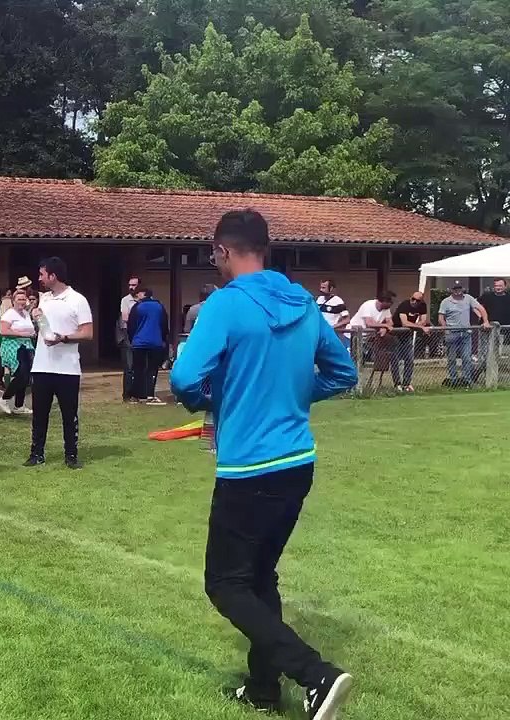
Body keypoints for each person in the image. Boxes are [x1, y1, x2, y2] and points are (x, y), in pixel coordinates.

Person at [169, 210, 358, 720]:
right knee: (259, 577)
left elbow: (185, 376)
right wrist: (296, 393)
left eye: (213, 254)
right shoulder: (303, 301)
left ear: (222, 251)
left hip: (250, 467)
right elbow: (343, 371)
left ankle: (315, 675)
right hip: (298, 462)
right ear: (265, 249)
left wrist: (212, 398)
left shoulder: (225, 305)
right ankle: (263, 688)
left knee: (225, 583)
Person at [24, 257, 92, 468]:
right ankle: (37, 454)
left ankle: (71, 455)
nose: (39, 279)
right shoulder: (44, 299)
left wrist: (64, 338)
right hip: (42, 366)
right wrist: (36, 318)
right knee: (39, 414)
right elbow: (44, 330)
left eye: (42, 274)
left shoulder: (77, 300)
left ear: (53, 276)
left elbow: (87, 332)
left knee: (68, 415)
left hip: (67, 368)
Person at [437, 282, 488, 386]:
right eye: (455, 289)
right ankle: (453, 380)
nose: (457, 291)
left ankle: (467, 380)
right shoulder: (445, 302)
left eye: (459, 288)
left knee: (466, 358)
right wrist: (445, 328)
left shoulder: (468, 298)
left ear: (462, 289)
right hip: (452, 333)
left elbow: (481, 309)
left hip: (465, 333)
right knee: (451, 359)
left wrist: (485, 321)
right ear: (451, 290)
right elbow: (441, 318)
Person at [128, 286, 170, 405]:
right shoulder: (159, 307)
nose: (137, 296)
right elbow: (164, 325)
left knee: (138, 369)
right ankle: (150, 394)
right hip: (155, 343)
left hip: (139, 343)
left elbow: (131, 325)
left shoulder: (137, 307)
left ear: (144, 294)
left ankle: (137, 395)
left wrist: (132, 339)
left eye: (138, 294)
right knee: (152, 370)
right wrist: (163, 340)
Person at [0, 287, 36, 415]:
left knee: (26, 376)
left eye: (24, 299)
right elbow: (4, 331)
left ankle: (19, 406)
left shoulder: (25, 314)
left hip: (26, 346)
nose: (22, 301)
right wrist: (23, 334)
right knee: (21, 374)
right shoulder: (9, 314)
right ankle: (4, 399)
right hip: (13, 347)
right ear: (13, 300)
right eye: (19, 299)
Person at [393, 292, 430, 392]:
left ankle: (407, 384)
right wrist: (420, 326)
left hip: (407, 335)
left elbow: (424, 320)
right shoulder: (404, 305)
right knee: (395, 360)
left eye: (417, 300)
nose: (414, 302)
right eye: (413, 299)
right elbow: (404, 323)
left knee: (409, 360)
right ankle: (397, 384)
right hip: (396, 334)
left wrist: (417, 325)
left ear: (421, 301)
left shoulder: (422, 306)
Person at [119, 276, 140, 401]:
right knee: (129, 366)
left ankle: (139, 393)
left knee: (139, 366)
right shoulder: (125, 300)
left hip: (141, 335)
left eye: (134, 285)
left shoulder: (145, 300)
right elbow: (125, 318)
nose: (131, 287)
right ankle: (127, 394)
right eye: (130, 285)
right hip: (128, 335)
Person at [314, 279, 351, 347]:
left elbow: (346, 319)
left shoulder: (338, 301)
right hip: (319, 332)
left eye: (324, 288)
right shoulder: (319, 299)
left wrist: (333, 327)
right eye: (321, 287)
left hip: (330, 333)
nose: (321, 290)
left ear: (331, 288)